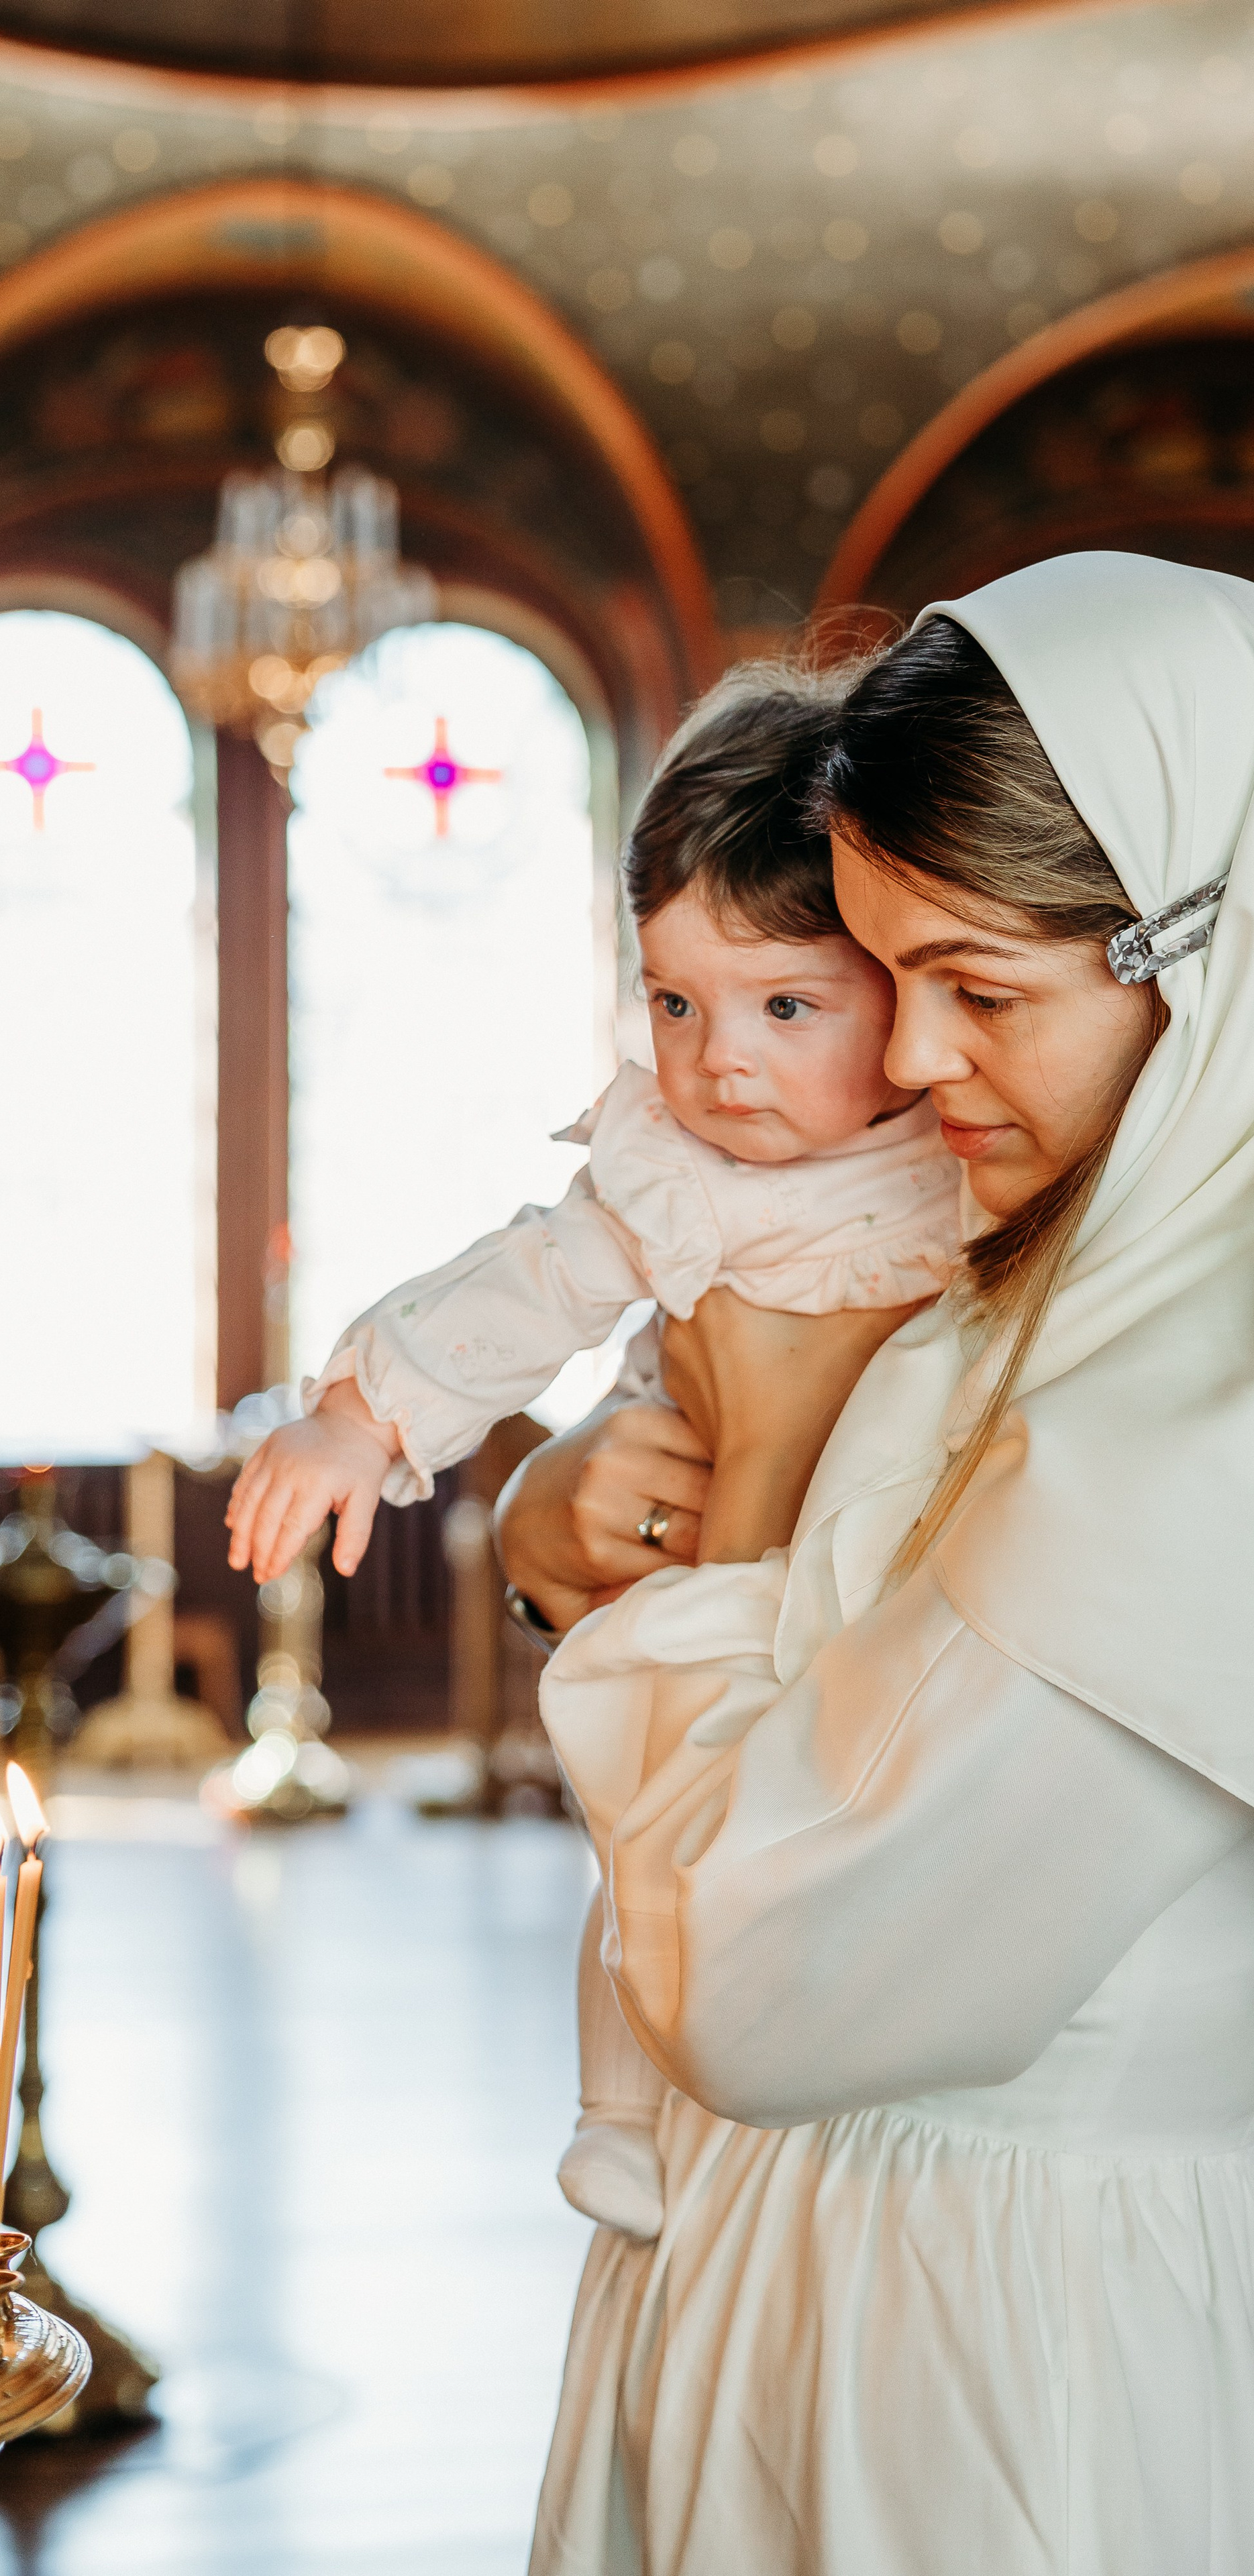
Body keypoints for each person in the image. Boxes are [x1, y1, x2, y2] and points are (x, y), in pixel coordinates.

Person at [515, 549, 1254, 2576]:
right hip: (774, 2282)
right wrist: (565, 1504)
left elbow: (757, 1976)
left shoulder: (1210, 1433)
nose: (909, 1064)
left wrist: (735, 1488)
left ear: (1206, 957)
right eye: (876, 972)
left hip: (997, 2365)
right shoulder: (1052, 1245)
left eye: (984, 990)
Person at [227, 665, 959, 2239]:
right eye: (673, 1003)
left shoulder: (961, 1155)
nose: (716, 1064)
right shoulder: (674, 1169)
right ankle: (615, 2108)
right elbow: (519, 1287)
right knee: (650, 1837)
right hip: (688, 1570)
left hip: (875, 1600)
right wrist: (363, 1419)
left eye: (782, 1007)